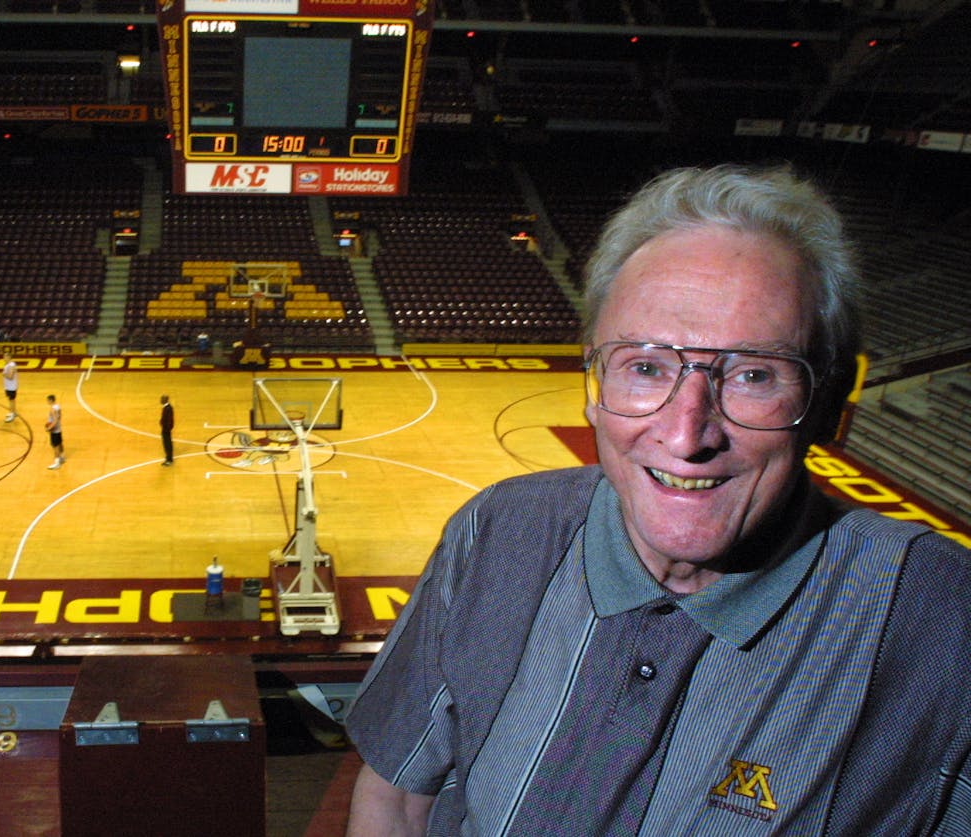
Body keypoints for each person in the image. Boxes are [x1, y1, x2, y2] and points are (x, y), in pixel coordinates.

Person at [345, 164, 971, 836]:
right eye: (646, 366)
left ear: (828, 400)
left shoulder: (942, 624)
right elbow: (395, 798)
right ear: (594, 380)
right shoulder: (496, 530)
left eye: (755, 374)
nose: (686, 431)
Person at [45, 393, 64, 470]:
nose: (47, 402)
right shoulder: (58, 407)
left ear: (51, 400)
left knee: (55, 446)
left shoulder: (53, 409)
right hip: (59, 428)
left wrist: (49, 428)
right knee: (59, 444)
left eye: (48, 400)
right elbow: (59, 417)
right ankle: (62, 457)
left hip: (55, 430)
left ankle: (57, 463)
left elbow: (55, 420)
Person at [1, 353, 19, 422]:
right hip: (9, 386)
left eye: (4, 356)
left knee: (11, 400)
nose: (3, 358)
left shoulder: (11, 365)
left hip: (11, 386)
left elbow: (11, 377)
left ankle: (12, 415)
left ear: (8, 357)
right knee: (11, 400)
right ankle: (13, 412)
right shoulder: (10, 364)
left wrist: (4, 374)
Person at [159, 394, 174, 466]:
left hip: (166, 429)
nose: (160, 400)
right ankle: (168, 457)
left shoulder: (168, 408)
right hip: (166, 429)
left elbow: (169, 420)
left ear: (165, 400)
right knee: (167, 444)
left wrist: (167, 428)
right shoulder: (167, 407)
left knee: (167, 444)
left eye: (162, 399)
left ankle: (169, 459)